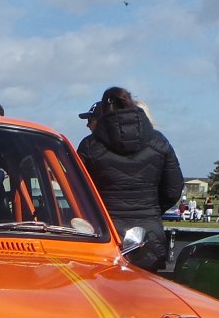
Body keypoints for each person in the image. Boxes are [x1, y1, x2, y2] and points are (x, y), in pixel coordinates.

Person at [76, 86, 184, 272]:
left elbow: (77, 191)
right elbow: (173, 188)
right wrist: (151, 209)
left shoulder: (89, 146)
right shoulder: (159, 142)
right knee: (145, 294)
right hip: (148, 233)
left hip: (104, 233)